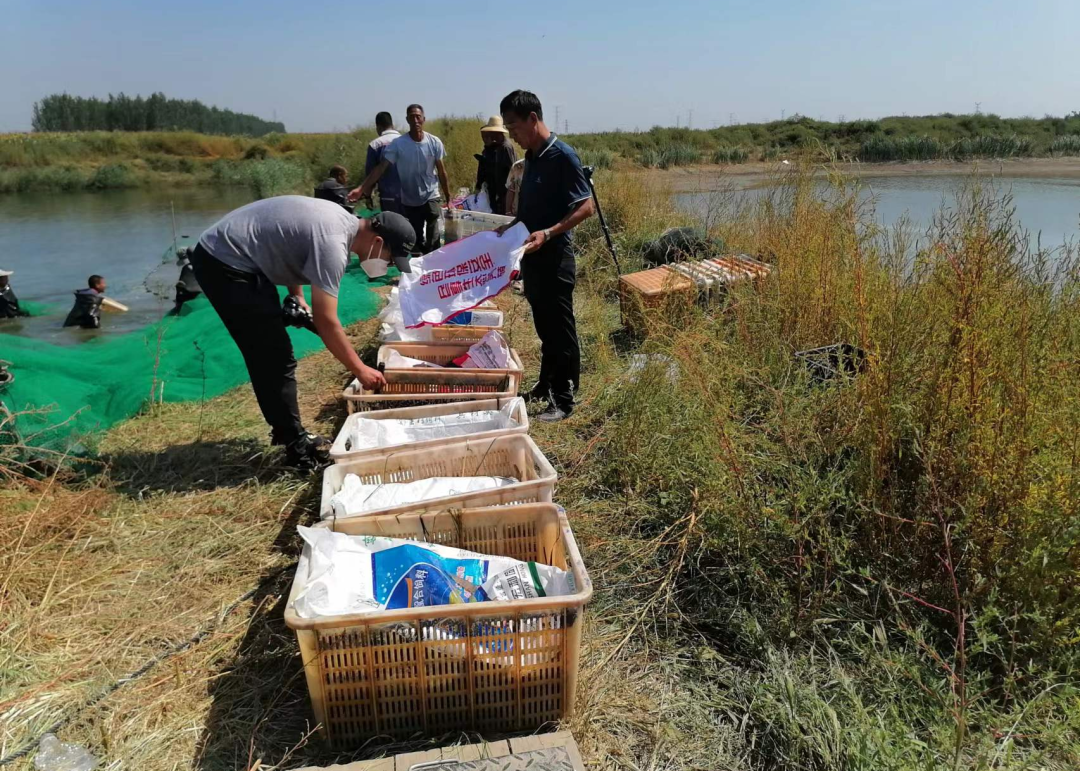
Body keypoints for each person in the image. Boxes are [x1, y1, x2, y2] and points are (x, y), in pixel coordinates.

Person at [189, 196, 416, 470]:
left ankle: (290, 431)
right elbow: (326, 320)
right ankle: (295, 446)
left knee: (272, 345)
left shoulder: (341, 223)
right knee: (272, 356)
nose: (387, 266)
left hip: (238, 254)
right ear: (378, 242)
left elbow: (291, 248)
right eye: (390, 260)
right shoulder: (334, 245)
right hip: (223, 262)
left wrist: (297, 296)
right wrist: (360, 370)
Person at [497, 90, 595, 422]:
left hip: (555, 257)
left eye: (514, 126)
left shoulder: (562, 156)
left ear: (533, 119)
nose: (512, 134)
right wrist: (511, 227)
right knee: (544, 326)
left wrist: (549, 233)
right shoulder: (532, 158)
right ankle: (545, 385)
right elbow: (530, 211)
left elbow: (586, 206)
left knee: (559, 329)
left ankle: (564, 399)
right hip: (533, 257)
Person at [350, 104, 450, 255]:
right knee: (415, 238)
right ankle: (419, 260)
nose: (415, 120)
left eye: (418, 117)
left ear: (423, 119)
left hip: (431, 194)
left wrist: (448, 197)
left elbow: (441, 171)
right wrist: (361, 188)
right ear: (407, 120)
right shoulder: (398, 144)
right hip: (410, 198)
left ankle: (433, 261)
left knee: (433, 230)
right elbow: (380, 168)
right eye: (411, 117)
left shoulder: (434, 142)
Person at [473, 116, 517, 215]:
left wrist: (510, 197)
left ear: (496, 133)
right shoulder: (498, 147)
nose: (489, 135)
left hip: (506, 195)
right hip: (500, 195)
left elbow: (513, 172)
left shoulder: (506, 147)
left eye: (491, 132)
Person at [364, 112, 402, 214]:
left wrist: (368, 196)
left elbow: (370, 175)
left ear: (378, 127)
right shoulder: (406, 141)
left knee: (391, 223)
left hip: (388, 197)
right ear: (392, 125)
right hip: (410, 197)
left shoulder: (375, 145)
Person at [171, 246, 203, 314]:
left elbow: (181, 283)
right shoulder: (204, 266)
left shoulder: (187, 268)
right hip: (200, 293)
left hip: (191, 294)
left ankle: (178, 309)